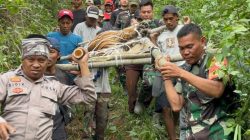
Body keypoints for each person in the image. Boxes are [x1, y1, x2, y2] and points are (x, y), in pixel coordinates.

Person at [0, 37, 96, 140]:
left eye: (41, 60)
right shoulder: (7, 79)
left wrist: (83, 65)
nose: (36, 65)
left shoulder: (54, 85)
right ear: (23, 59)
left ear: (47, 62)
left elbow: (89, 96)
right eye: (31, 59)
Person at [158, 23, 232, 139]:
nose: (185, 52)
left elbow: (217, 89)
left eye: (189, 46)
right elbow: (176, 105)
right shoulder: (186, 68)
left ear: (202, 41)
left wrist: (180, 73)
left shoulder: (216, 59)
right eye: (181, 48)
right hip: (192, 134)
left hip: (217, 134)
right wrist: (166, 75)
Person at [151, 5, 191, 140]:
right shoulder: (161, 35)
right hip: (166, 72)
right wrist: (153, 41)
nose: (168, 22)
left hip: (182, 69)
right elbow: (157, 54)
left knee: (179, 105)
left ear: (177, 18)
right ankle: (172, 137)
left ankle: (177, 128)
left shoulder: (183, 30)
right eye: (166, 19)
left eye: (171, 19)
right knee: (165, 107)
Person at [125, 0, 162, 114]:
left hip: (150, 61)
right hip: (134, 61)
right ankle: (132, 111)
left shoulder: (158, 24)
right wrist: (133, 29)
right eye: (144, 12)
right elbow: (124, 40)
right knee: (131, 93)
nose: (146, 14)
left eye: (149, 12)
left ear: (153, 12)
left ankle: (142, 104)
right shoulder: (132, 23)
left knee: (150, 84)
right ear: (140, 12)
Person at [48, 9, 82, 85]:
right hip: (54, 73)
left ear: (72, 23)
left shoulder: (77, 39)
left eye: (68, 23)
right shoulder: (50, 36)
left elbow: (80, 57)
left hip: (71, 74)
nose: (65, 26)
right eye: (63, 23)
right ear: (59, 23)